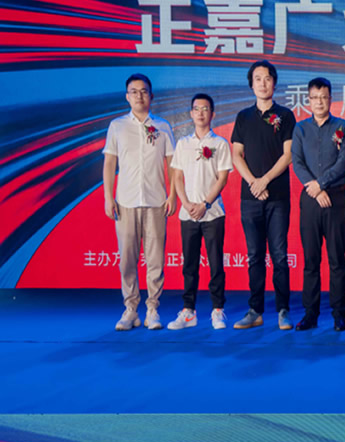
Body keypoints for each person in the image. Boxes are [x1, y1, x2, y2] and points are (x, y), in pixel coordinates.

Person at [102, 73, 176, 331]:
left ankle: (152, 309)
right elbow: (109, 162)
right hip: (126, 201)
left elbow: (172, 164)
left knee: (155, 259)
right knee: (127, 259)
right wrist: (108, 197)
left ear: (151, 96)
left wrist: (173, 194)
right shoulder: (117, 126)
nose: (139, 96)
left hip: (156, 201)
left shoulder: (163, 126)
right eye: (134, 92)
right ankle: (131, 309)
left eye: (143, 91)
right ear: (127, 97)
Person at [231, 60, 296, 330]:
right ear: (251, 84)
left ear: (274, 83)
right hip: (250, 199)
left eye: (267, 78)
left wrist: (265, 180)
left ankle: (283, 310)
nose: (263, 83)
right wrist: (253, 183)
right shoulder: (243, 117)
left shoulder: (286, 115)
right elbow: (236, 154)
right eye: (257, 78)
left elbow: (288, 154)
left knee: (279, 255)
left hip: (278, 196)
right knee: (255, 255)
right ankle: (255, 311)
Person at [292, 78, 345, 332]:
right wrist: (315, 189)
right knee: (311, 260)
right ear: (308, 100)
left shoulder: (342, 126)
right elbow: (297, 162)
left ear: (330, 99)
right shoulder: (300, 128)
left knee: (337, 259)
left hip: (335, 199)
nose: (319, 102)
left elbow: (344, 161)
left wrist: (322, 184)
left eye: (324, 97)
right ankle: (311, 313)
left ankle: (339, 313)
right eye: (315, 98)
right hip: (310, 199)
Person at [167, 93, 232, 330]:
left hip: (212, 213)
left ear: (212, 114)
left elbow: (222, 178)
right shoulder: (183, 144)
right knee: (189, 265)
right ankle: (188, 311)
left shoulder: (220, 144)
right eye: (197, 109)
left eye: (205, 109)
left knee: (215, 263)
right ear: (191, 114)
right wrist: (185, 203)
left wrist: (204, 204)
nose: (201, 113)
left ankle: (218, 310)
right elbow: (176, 176)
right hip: (188, 214)